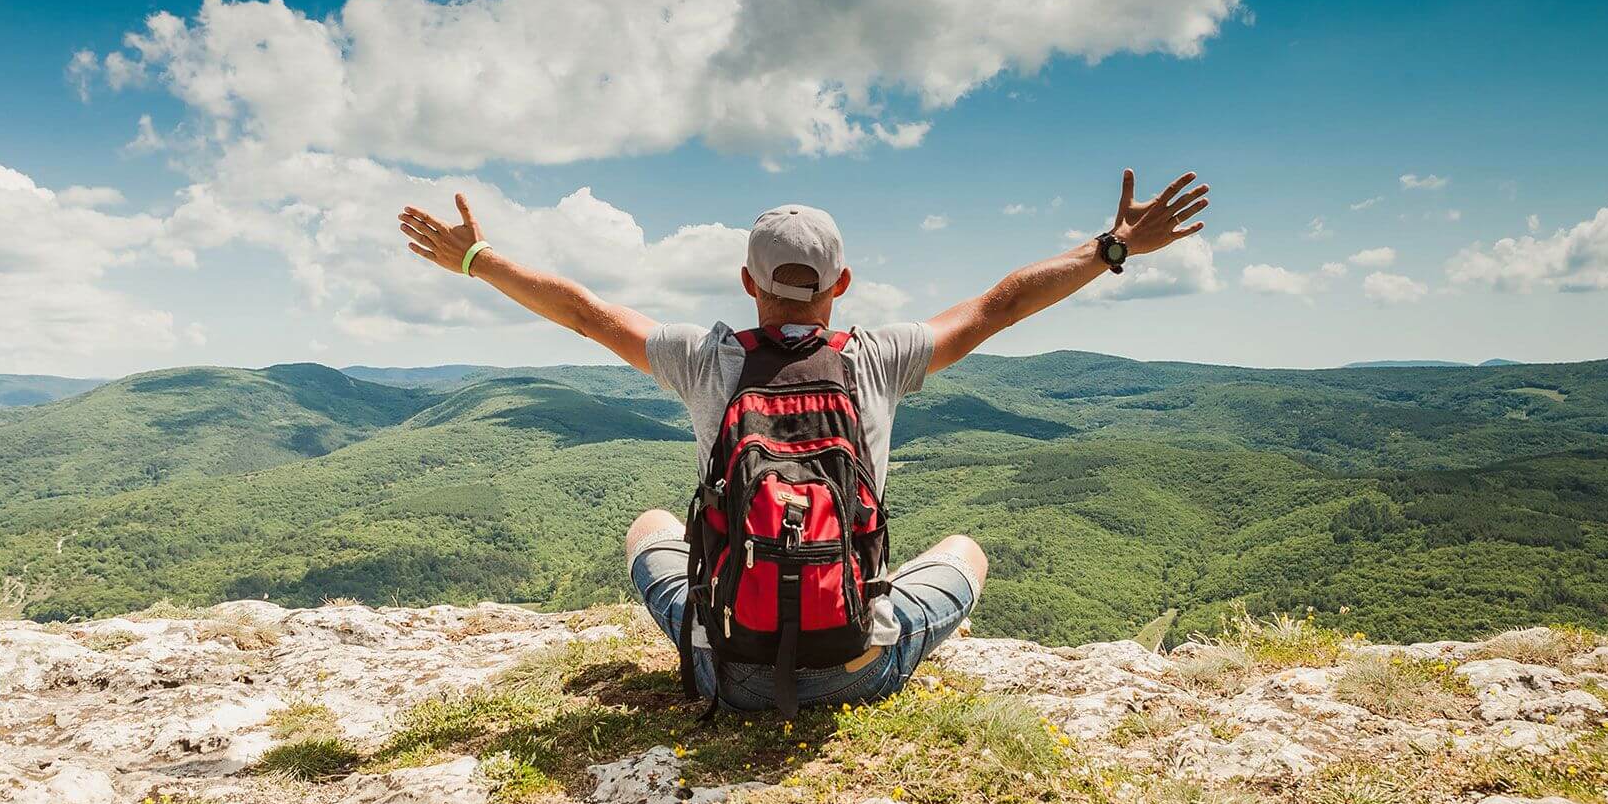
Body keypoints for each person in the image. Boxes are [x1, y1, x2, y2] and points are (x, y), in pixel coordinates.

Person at [397, 168, 1207, 712]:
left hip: (726, 671)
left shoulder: (704, 358)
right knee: (964, 548)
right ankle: (867, 637)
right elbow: (999, 306)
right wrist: (1113, 248)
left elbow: (584, 311)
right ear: (842, 286)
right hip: (857, 666)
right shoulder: (880, 358)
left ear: (748, 283)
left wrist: (476, 257)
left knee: (650, 528)